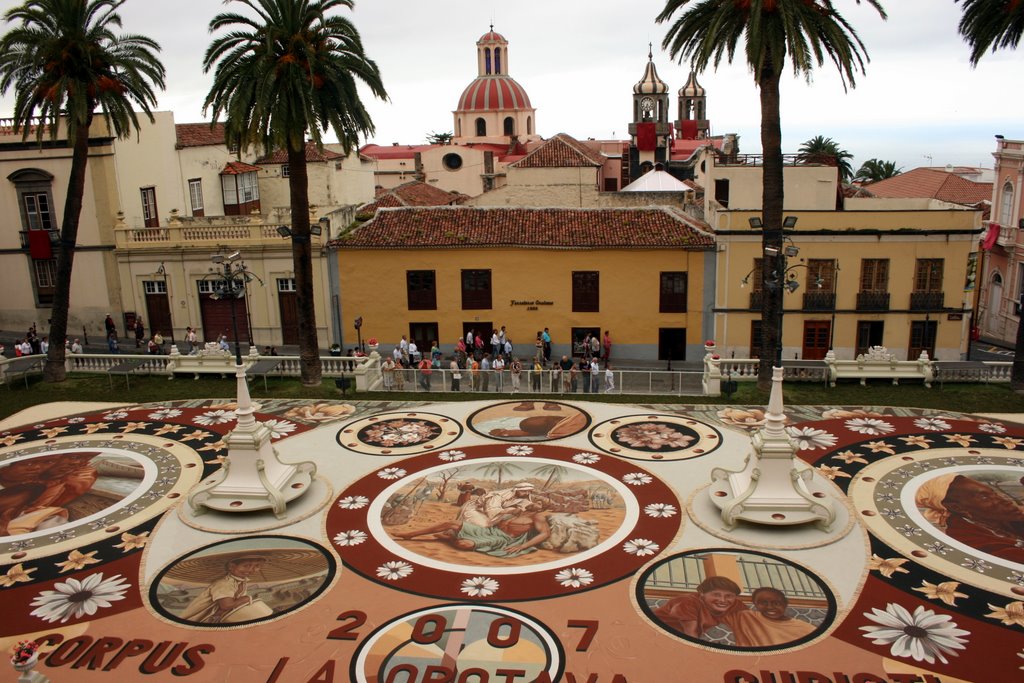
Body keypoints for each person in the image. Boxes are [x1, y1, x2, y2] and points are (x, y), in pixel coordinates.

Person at [915, 473, 1024, 561]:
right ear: (957, 508)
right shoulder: (967, 538)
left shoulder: (1006, 518)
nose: (1004, 500)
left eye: (994, 493)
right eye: (985, 497)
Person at [179, 555, 271, 624]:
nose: (251, 570)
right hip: (200, 621)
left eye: (257, 566)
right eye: (246, 565)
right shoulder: (224, 583)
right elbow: (226, 605)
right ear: (231, 566)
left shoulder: (241, 582)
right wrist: (246, 599)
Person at [653, 576, 745, 639]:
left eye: (729, 596)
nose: (723, 600)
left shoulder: (735, 604)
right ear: (702, 593)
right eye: (716, 595)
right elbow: (690, 634)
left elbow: (753, 619)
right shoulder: (688, 602)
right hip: (656, 633)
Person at [729, 588, 816, 647]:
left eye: (776, 603)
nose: (769, 607)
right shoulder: (744, 617)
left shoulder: (807, 629)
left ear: (785, 604)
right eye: (763, 603)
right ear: (755, 604)